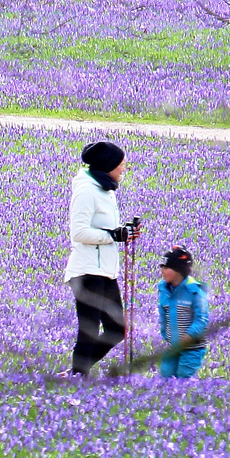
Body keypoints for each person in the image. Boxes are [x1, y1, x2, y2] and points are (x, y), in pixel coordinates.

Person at [65, 140, 142, 376]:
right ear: (108, 166)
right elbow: (78, 233)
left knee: (117, 329)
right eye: (121, 165)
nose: (123, 169)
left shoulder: (104, 189)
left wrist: (124, 231)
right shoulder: (87, 190)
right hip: (87, 269)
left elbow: (105, 229)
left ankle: (77, 371)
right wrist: (113, 236)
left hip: (105, 269)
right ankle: (77, 375)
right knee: (89, 329)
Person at [157, 246, 210, 379]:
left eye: (166, 268)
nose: (162, 271)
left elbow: (202, 319)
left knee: (185, 377)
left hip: (192, 347)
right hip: (173, 346)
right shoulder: (164, 290)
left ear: (178, 271)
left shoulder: (195, 291)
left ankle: (189, 398)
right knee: (166, 375)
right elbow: (164, 315)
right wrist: (165, 335)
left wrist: (188, 336)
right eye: (162, 267)